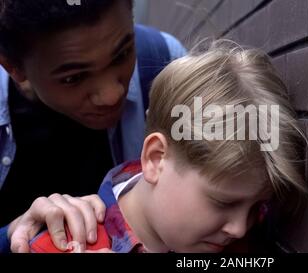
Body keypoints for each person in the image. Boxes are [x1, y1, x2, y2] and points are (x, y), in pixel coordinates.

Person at [29, 40, 308, 253]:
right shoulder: (60, 246)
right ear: (155, 158)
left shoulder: (242, 235)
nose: (239, 228)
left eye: (257, 207)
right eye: (223, 202)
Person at [0, 0, 186, 252]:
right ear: (13, 67)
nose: (112, 94)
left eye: (122, 55)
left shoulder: (165, 64)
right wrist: (9, 234)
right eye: (73, 78)